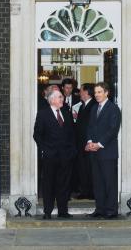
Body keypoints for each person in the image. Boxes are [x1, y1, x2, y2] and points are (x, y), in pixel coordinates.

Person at [33, 89, 77, 219]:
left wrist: (73, 150)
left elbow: (72, 133)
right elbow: (37, 135)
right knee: (49, 184)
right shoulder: (43, 114)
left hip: (66, 156)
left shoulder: (66, 112)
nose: (62, 99)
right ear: (52, 100)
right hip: (50, 157)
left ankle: (63, 212)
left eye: (62, 97)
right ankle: (47, 212)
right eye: (59, 97)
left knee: (64, 184)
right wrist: (45, 149)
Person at [85, 82, 121, 219]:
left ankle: (111, 210)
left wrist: (99, 144)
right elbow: (89, 127)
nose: (97, 95)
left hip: (107, 153)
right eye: (95, 92)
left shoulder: (113, 109)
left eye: (99, 92)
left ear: (107, 93)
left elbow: (113, 130)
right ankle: (99, 209)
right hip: (94, 152)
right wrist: (89, 142)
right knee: (98, 183)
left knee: (109, 183)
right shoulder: (94, 108)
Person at [75, 83, 96, 199]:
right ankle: (85, 191)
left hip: (89, 144)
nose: (79, 93)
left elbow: (92, 126)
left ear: (87, 93)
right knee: (83, 168)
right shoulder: (82, 106)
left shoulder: (93, 106)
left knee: (90, 169)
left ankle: (91, 192)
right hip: (81, 144)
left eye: (81, 91)